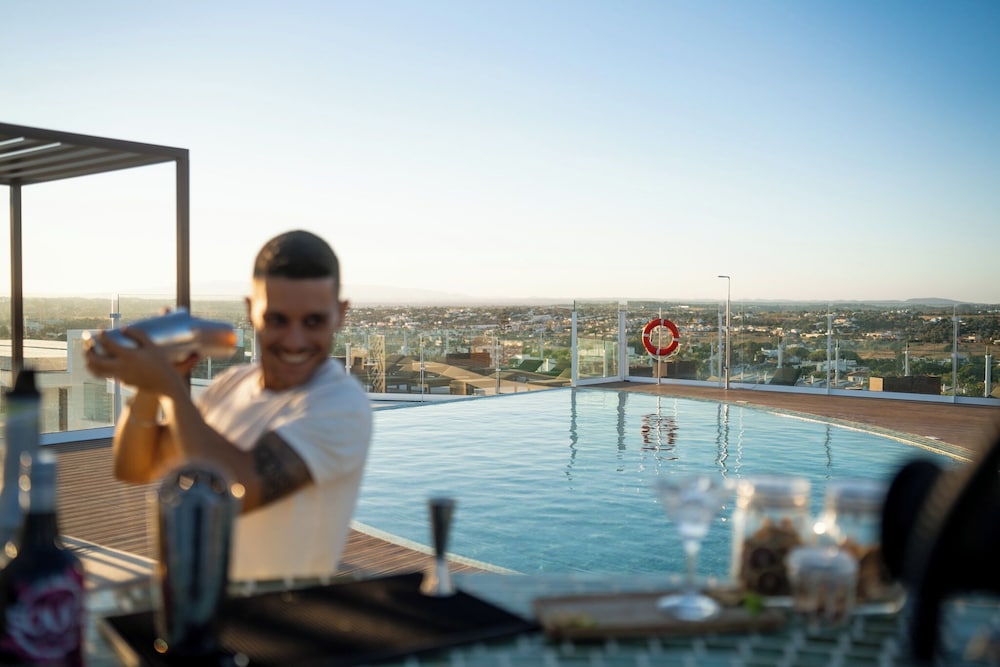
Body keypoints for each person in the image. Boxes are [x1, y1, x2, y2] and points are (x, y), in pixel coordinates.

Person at [85, 230, 373, 581]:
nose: (295, 341)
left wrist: (169, 386)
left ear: (340, 314)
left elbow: (238, 491)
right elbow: (135, 466)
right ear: (252, 311)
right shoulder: (232, 384)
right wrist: (153, 384)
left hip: (276, 621)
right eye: (277, 320)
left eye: (313, 321)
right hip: (196, 606)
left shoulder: (342, 404)